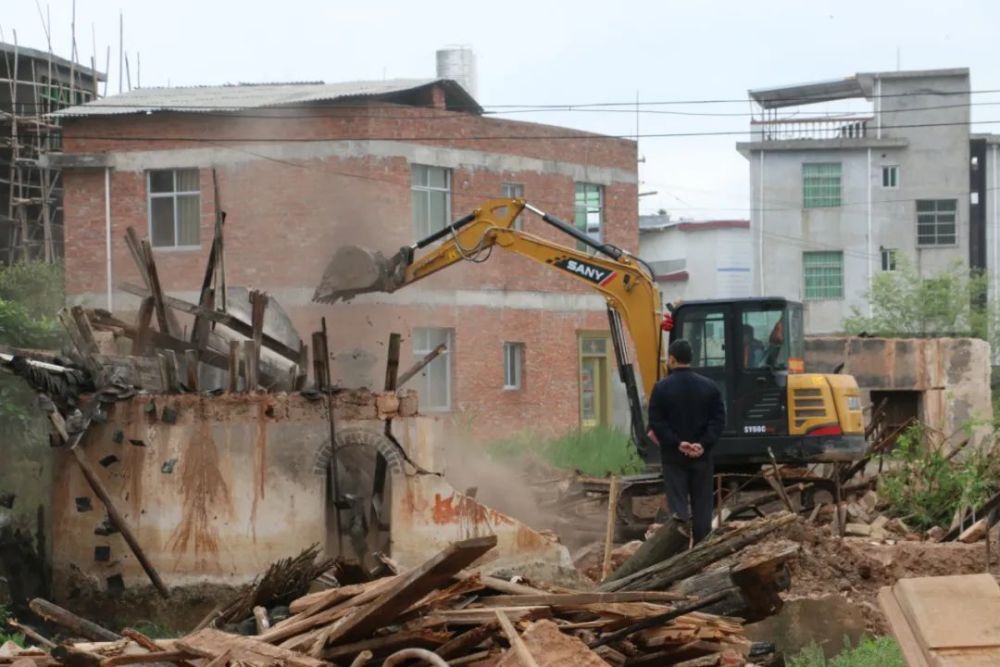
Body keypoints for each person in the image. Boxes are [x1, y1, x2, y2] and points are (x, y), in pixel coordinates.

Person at [648, 339, 726, 543]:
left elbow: (656, 422)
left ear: (672, 359)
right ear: (691, 359)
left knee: (678, 505)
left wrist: (677, 443)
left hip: (674, 457)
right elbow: (718, 420)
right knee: (702, 504)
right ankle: (702, 549)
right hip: (702, 457)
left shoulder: (661, 388)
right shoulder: (710, 387)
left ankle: (679, 548)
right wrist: (702, 443)